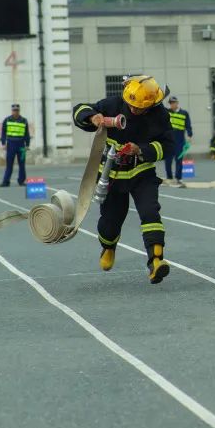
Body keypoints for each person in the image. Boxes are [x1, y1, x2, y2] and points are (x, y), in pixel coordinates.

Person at [72, 75, 175, 284]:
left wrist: (142, 150)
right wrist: (92, 117)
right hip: (112, 173)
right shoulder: (112, 105)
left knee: (150, 212)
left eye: (140, 108)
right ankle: (108, 247)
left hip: (141, 172)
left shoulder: (160, 116)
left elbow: (169, 145)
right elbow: (79, 109)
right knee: (111, 221)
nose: (135, 110)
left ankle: (156, 261)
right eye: (131, 106)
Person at [0, 103, 31, 187]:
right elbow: (3, 133)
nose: (15, 112)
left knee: (22, 164)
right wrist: (3, 143)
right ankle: (6, 181)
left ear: (19, 111)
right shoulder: (7, 120)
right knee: (9, 164)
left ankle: (21, 181)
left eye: (17, 110)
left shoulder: (24, 120)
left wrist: (27, 144)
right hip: (11, 144)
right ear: (12, 111)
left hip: (21, 145)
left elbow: (27, 134)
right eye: (14, 110)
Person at [164, 96, 192, 183]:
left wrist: (190, 135)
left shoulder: (184, 113)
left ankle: (178, 178)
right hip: (169, 140)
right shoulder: (167, 112)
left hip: (180, 140)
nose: (172, 105)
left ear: (177, 103)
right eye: (170, 103)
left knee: (179, 160)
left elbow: (188, 125)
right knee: (168, 160)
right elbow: (159, 107)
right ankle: (169, 177)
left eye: (173, 103)